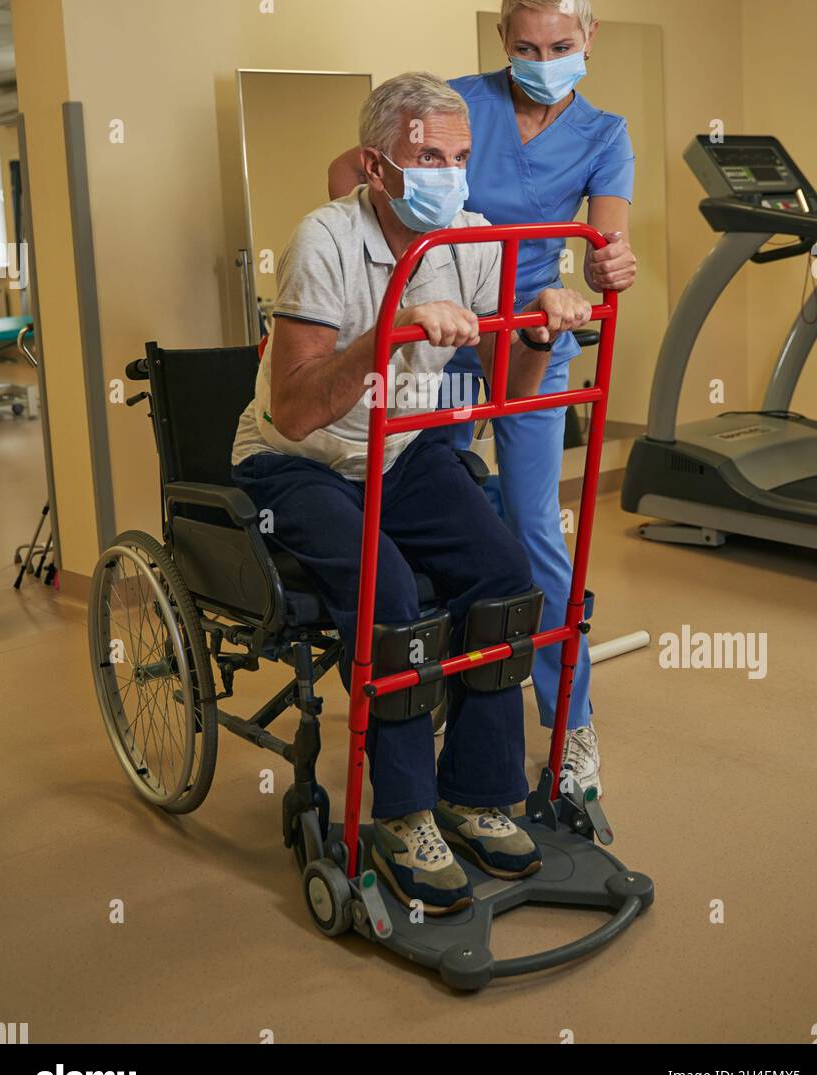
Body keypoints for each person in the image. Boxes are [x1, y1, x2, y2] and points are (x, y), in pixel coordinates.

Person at [231, 71, 592, 915]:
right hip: (299, 460)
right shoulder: (324, 238)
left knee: (507, 580)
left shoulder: (468, 238)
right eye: (428, 156)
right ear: (376, 165)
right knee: (390, 594)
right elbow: (291, 408)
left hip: (400, 448)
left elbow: (509, 382)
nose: (449, 174)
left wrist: (538, 325)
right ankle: (401, 816)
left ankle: (475, 793)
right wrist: (386, 333)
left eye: (459, 157)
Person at [328, 0, 637, 797]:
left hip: (529, 333)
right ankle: (448, 683)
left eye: (561, 46)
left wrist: (610, 268)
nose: (543, 59)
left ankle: (570, 724)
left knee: (535, 527)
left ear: (588, 39)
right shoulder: (458, 103)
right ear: (502, 40)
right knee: (439, 512)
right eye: (527, 45)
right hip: (442, 342)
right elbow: (343, 179)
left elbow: (603, 257)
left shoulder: (606, 134)